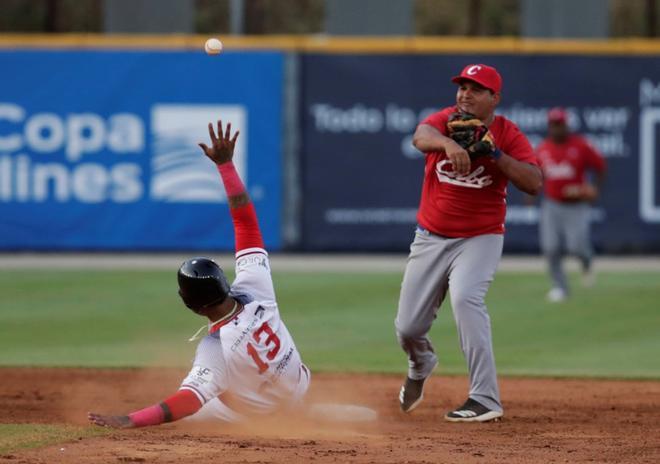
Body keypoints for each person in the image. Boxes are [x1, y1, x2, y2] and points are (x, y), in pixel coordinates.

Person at [88, 121, 310, 428]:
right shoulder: (254, 288)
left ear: (192, 306)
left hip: (266, 420)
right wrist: (226, 165)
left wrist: (130, 420)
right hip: (299, 387)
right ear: (224, 280)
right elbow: (245, 222)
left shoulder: (215, 347)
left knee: (192, 412)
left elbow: (188, 401)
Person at [395, 64, 542, 422]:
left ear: (495, 98)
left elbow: (534, 181)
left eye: (476, 89)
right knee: (408, 328)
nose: (465, 94)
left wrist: (495, 155)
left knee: (466, 299)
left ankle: (484, 398)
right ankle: (421, 364)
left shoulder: (507, 133)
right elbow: (420, 136)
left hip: (480, 237)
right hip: (430, 236)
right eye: (462, 87)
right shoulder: (448, 120)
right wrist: (447, 143)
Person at [536, 108, 607, 302]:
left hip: (576, 204)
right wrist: (532, 193)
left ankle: (587, 262)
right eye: (553, 125)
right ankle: (560, 287)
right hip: (552, 203)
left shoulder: (581, 145)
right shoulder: (543, 148)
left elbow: (600, 166)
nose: (557, 128)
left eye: (560, 124)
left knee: (576, 247)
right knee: (550, 247)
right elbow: (536, 174)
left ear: (566, 125)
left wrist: (594, 188)